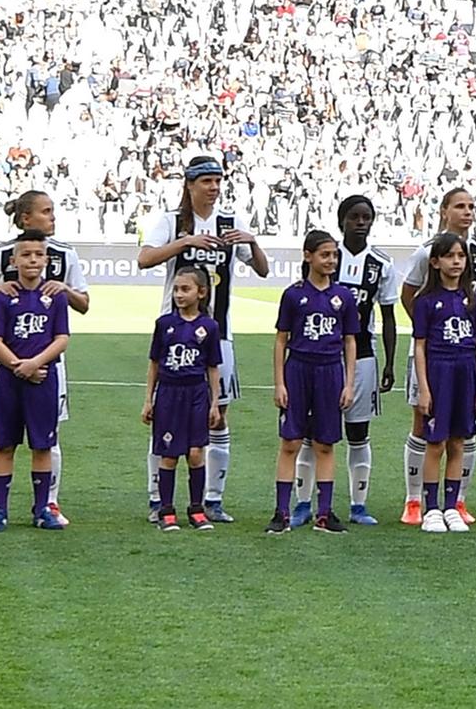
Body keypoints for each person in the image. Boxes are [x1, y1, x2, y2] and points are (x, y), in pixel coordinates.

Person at [137, 158, 266, 524]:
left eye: (217, 181)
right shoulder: (171, 221)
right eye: (206, 181)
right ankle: (157, 499)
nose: (214, 187)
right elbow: (144, 258)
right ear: (190, 185)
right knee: (164, 415)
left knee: (218, 415)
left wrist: (252, 242)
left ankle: (212, 498)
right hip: (174, 333)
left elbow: (262, 269)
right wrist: (185, 242)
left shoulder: (230, 222)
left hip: (218, 333)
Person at [398, 186, 476, 524]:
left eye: (472, 206)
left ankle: (456, 504)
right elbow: (408, 296)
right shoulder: (425, 257)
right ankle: (420, 503)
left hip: (464, 368)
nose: (467, 212)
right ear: (444, 210)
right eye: (460, 206)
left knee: (460, 437)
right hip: (434, 364)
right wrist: (436, 328)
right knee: (429, 433)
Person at [272, 230, 366, 533]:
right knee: (291, 442)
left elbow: (350, 341)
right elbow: (281, 340)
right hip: (298, 369)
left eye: (334, 255)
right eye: (325, 254)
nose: (331, 260)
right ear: (308, 255)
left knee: (326, 443)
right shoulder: (293, 295)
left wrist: (349, 383)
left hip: (330, 371)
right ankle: (282, 512)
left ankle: (324, 513)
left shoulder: (343, 297)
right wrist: (280, 383)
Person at [0, 240, 72, 531]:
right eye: (26, 255)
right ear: (13, 261)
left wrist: (35, 364)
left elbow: (62, 338)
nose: (33, 260)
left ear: (46, 260)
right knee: (4, 444)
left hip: (43, 378)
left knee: (42, 445)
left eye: (38, 255)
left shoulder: (55, 296)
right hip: (9, 378)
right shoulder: (5, 296)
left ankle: (42, 508)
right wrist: (19, 366)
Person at [323, 195, 401, 528]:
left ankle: (358, 505)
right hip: (323, 356)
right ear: (342, 221)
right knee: (318, 434)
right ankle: (310, 503)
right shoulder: (328, 258)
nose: (360, 222)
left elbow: (389, 316)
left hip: (365, 356)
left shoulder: (380, 264)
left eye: (366, 217)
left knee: (358, 432)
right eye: (354, 217)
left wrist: (389, 364)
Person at [145, 264, 224, 528]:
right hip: (169, 394)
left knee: (195, 453)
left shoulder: (209, 327)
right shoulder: (165, 324)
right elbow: (154, 363)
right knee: (168, 455)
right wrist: (149, 399)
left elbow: (213, 366)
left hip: (197, 395)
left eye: (185, 289)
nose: (179, 294)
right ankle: (166, 510)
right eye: (176, 289)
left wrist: (215, 402)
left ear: (201, 292)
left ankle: (196, 509)